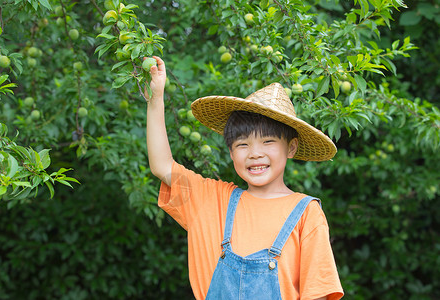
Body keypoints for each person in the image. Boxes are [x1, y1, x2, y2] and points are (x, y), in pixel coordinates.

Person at [146, 56, 344, 300]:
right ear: (231, 152)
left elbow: (318, 294)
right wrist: (156, 98)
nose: (255, 153)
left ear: (291, 148)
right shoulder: (212, 200)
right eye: (242, 145)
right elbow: (162, 165)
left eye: (268, 141)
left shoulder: (306, 213)